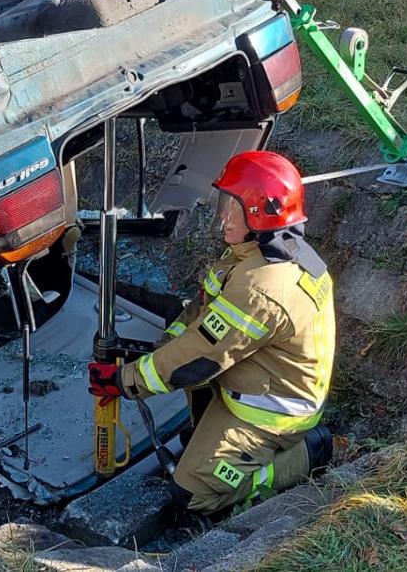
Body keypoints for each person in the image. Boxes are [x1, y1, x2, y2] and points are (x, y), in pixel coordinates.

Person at [88, 150, 336, 515]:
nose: (221, 216)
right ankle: (209, 440)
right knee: (184, 373)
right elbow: (200, 316)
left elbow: (199, 355)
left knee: (194, 494)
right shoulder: (262, 254)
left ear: (258, 213)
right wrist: (159, 349)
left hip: (271, 414)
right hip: (255, 381)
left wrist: (125, 380)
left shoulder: (261, 287)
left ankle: (303, 453)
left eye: (230, 206)